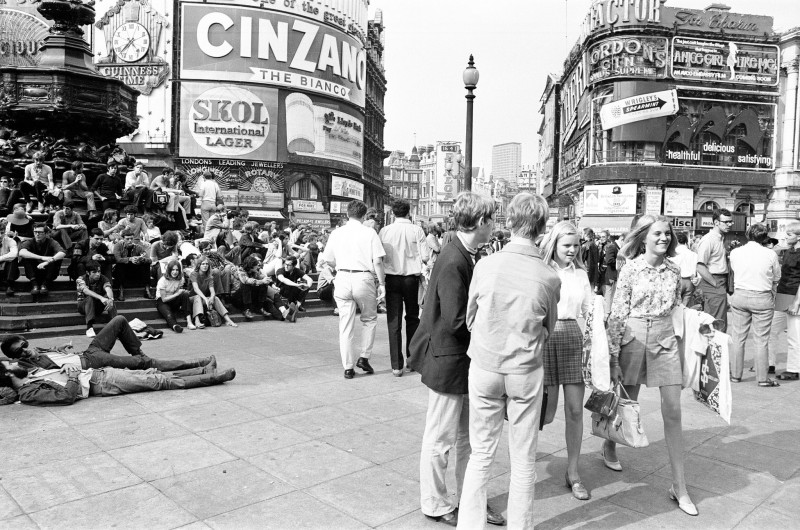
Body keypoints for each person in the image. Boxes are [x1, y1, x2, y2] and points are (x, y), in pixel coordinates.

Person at [456, 193, 559, 530]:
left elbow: (470, 317)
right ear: (542, 228)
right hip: (524, 371)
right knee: (523, 458)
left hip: (485, 365)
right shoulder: (548, 276)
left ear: (509, 222)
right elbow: (549, 327)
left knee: (481, 453)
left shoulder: (486, 264)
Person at [407, 192, 504, 527]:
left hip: (458, 360)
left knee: (465, 437)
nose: (494, 225)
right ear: (480, 222)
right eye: (492, 219)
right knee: (440, 438)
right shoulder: (454, 260)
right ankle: (434, 503)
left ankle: (469, 499)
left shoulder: (464, 253)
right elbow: (455, 319)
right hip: (448, 360)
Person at [604, 215, 697, 516]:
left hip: (665, 338)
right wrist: (613, 356)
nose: (664, 238)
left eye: (667, 234)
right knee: (626, 403)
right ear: (643, 237)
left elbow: (679, 307)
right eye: (657, 233)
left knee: (673, 410)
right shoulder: (630, 269)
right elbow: (617, 313)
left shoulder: (674, 270)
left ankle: (680, 486)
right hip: (632, 335)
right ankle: (610, 445)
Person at [539, 221, 593, 501]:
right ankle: (525, 461)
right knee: (543, 413)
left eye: (576, 245)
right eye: (567, 245)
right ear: (554, 244)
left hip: (572, 334)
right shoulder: (542, 269)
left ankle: (573, 472)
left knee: (574, 410)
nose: (572, 250)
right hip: (545, 335)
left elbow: (588, 309)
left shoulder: (581, 274)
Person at [1, 317, 216, 374]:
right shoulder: (26, 366)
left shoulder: (35, 351)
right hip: (92, 362)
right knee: (145, 363)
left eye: (25, 344)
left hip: (89, 351)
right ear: (14, 357)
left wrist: (61, 348)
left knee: (119, 320)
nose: (26, 349)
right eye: (20, 351)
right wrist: (13, 361)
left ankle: (139, 357)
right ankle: (196, 365)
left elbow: (53, 356)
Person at [320, 200, 386, 379]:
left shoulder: (337, 233)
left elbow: (328, 259)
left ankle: (348, 367)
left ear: (347, 214)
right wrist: (382, 283)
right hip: (363, 277)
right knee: (370, 319)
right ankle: (364, 357)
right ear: (364, 215)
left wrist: (339, 264)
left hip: (342, 277)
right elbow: (378, 261)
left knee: (345, 324)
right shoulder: (370, 232)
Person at [0, 361, 235, 406]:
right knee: (160, 380)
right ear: (9, 376)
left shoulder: (32, 375)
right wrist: (72, 375)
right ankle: (215, 377)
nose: (13, 362)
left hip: (99, 373)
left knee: (152, 371)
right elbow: (64, 396)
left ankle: (204, 370)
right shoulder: (28, 392)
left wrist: (64, 368)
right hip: (100, 382)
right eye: (9, 365)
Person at [379, 199, 429, 376]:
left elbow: (380, 257)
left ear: (393, 213)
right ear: (409, 212)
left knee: (394, 321)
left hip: (392, 278)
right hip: (411, 279)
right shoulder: (417, 230)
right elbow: (425, 257)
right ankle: (412, 360)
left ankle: (396, 365)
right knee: (413, 318)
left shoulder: (385, 231)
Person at [728, 223, 781, 387]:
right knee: (761, 340)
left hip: (740, 295)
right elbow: (777, 276)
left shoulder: (736, 252)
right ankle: (762, 378)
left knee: (738, 337)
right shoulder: (770, 254)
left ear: (747, 235)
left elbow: (734, 269)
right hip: (762, 298)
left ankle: (736, 375)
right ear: (764, 237)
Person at [696, 209, 733, 331]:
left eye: (731, 222)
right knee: (715, 324)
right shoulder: (708, 239)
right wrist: (715, 284)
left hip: (719, 282)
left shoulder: (720, 238)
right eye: (726, 222)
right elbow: (700, 266)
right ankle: (712, 349)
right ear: (716, 222)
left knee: (719, 322)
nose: (730, 224)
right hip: (713, 282)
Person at [774, 221, 800, 381]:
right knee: (771, 330)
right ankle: (768, 363)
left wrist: (797, 302)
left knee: (794, 335)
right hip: (783, 293)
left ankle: (794, 368)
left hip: (794, 295)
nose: (785, 236)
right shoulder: (789, 250)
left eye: (789, 234)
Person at [232, 255, 288, 321]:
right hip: (238, 297)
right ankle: (246, 310)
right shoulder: (240, 271)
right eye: (256, 264)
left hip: (250, 297)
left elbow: (260, 277)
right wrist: (262, 281)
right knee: (246, 285)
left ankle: (282, 316)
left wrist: (267, 280)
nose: (258, 265)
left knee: (267, 296)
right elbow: (246, 281)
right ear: (251, 266)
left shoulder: (254, 271)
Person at [190, 256, 238, 328]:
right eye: (203, 264)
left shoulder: (209, 276)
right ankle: (197, 321)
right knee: (197, 297)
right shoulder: (194, 274)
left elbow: (212, 291)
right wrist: (206, 299)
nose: (205, 266)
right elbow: (196, 289)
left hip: (203, 299)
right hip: (192, 298)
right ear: (199, 265)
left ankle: (228, 320)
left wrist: (212, 297)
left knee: (215, 298)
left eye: (207, 264)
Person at [18, 223, 65, 296]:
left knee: (56, 258)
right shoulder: (30, 241)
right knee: (26, 258)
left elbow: (62, 253)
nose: (37, 234)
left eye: (40, 232)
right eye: (35, 232)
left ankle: (45, 284)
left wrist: (48, 261)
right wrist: (41, 257)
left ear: (46, 233)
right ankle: (34, 285)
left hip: (48, 271)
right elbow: (21, 252)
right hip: (34, 271)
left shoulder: (51, 241)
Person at [76, 260, 117, 338]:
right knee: (90, 298)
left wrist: (111, 299)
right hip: (83, 306)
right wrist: (101, 298)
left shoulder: (104, 278)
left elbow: (108, 289)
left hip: (97, 306)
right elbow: (86, 291)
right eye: (94, 272)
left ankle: (116, 325)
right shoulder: (81, 279)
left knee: (110, 299)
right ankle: (89, 327)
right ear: (88, 273)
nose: (98, 274)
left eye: (99, 271)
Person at [113, 229, 152, 301]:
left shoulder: (138, 247)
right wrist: (130, 259)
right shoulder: (118, 246)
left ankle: (147, 290)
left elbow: (149, 260)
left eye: (131, 238)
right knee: (120, 265)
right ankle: (120, 291)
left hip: (134, 271)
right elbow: (117, 259)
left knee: (146, 264)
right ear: (123, 239)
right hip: (122, 271)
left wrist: (141, 260)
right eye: (127, 239)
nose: (130, 241)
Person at [156, 259, 194, 332]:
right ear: (169, 270)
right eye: (173, 270)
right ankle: (175, 326)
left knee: (185, 294)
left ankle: (189, 322)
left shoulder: (181, 279)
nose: (175, 272)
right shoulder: (163, 280)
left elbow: (178, 293)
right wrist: (177, 294)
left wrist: (180, 293)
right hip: (162, 301)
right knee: (168, 314)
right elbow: (164, 299)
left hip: (173, 300)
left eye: (177, 270)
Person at [276, 256, 313, 322]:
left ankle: (298, 305)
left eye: (288, 265)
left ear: (294, 266)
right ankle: (292, 305)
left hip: (292, 291)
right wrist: (297, 285)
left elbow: (309, 279)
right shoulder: (280, 270)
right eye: (285, 264)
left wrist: (307, 286)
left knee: (305, 286)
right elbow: (284, 280)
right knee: (292, 285)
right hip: (282, 290)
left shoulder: (297, 271)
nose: (286, 266)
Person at [673, 231, 699, 307]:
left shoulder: (673, 254)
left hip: (676, 281)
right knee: (685, 307)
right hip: (689, 282)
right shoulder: (694, 254)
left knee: (674, 307)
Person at [0, 219, 19, 295]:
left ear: (5, 232)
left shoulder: (10, 241)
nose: (0, 236)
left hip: (7, 270)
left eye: (2, 233)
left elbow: (14, 254)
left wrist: (1, 258)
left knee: (13, 259)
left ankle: (10, 285)